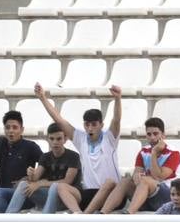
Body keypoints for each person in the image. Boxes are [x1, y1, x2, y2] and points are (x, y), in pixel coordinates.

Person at [36, 83, 122, 213]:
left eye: (94, 124)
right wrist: (42, 98)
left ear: (101, 124)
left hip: (111, 194)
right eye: (87, 125)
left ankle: (85, 217)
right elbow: (58, 120)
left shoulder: (109, 138)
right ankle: (79, 215)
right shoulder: (81, 139)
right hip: (89, 194)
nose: (90, 128)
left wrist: (117, 99)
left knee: (109, 183)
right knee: (61, 187)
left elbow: (116, 119)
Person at [100, 116, 180, 213]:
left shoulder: (173, 153)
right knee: (126, 181)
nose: (152, 137)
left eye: (155, 134)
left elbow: (159, 176)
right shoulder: (143, 152)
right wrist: (136, 177)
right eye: (149, 134)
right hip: (146, 195)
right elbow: (136, 174)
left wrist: (154, 153)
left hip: (167, 197)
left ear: (163, 135)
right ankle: (102, 213)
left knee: (145, 180)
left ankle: (129, 213)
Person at [9, 122, 79, 212]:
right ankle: (7, 219)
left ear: (65, 139)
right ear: (48, 139)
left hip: (70, 197)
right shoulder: (45, 157)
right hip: (50, 196)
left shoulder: (73, 156)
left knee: (55, 187)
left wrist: (40, 183)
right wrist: (31, 174)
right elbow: (35, 178)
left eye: (59, 139)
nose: (55, 142)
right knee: (24, 185)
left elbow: (67, 181)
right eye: (52, 139)